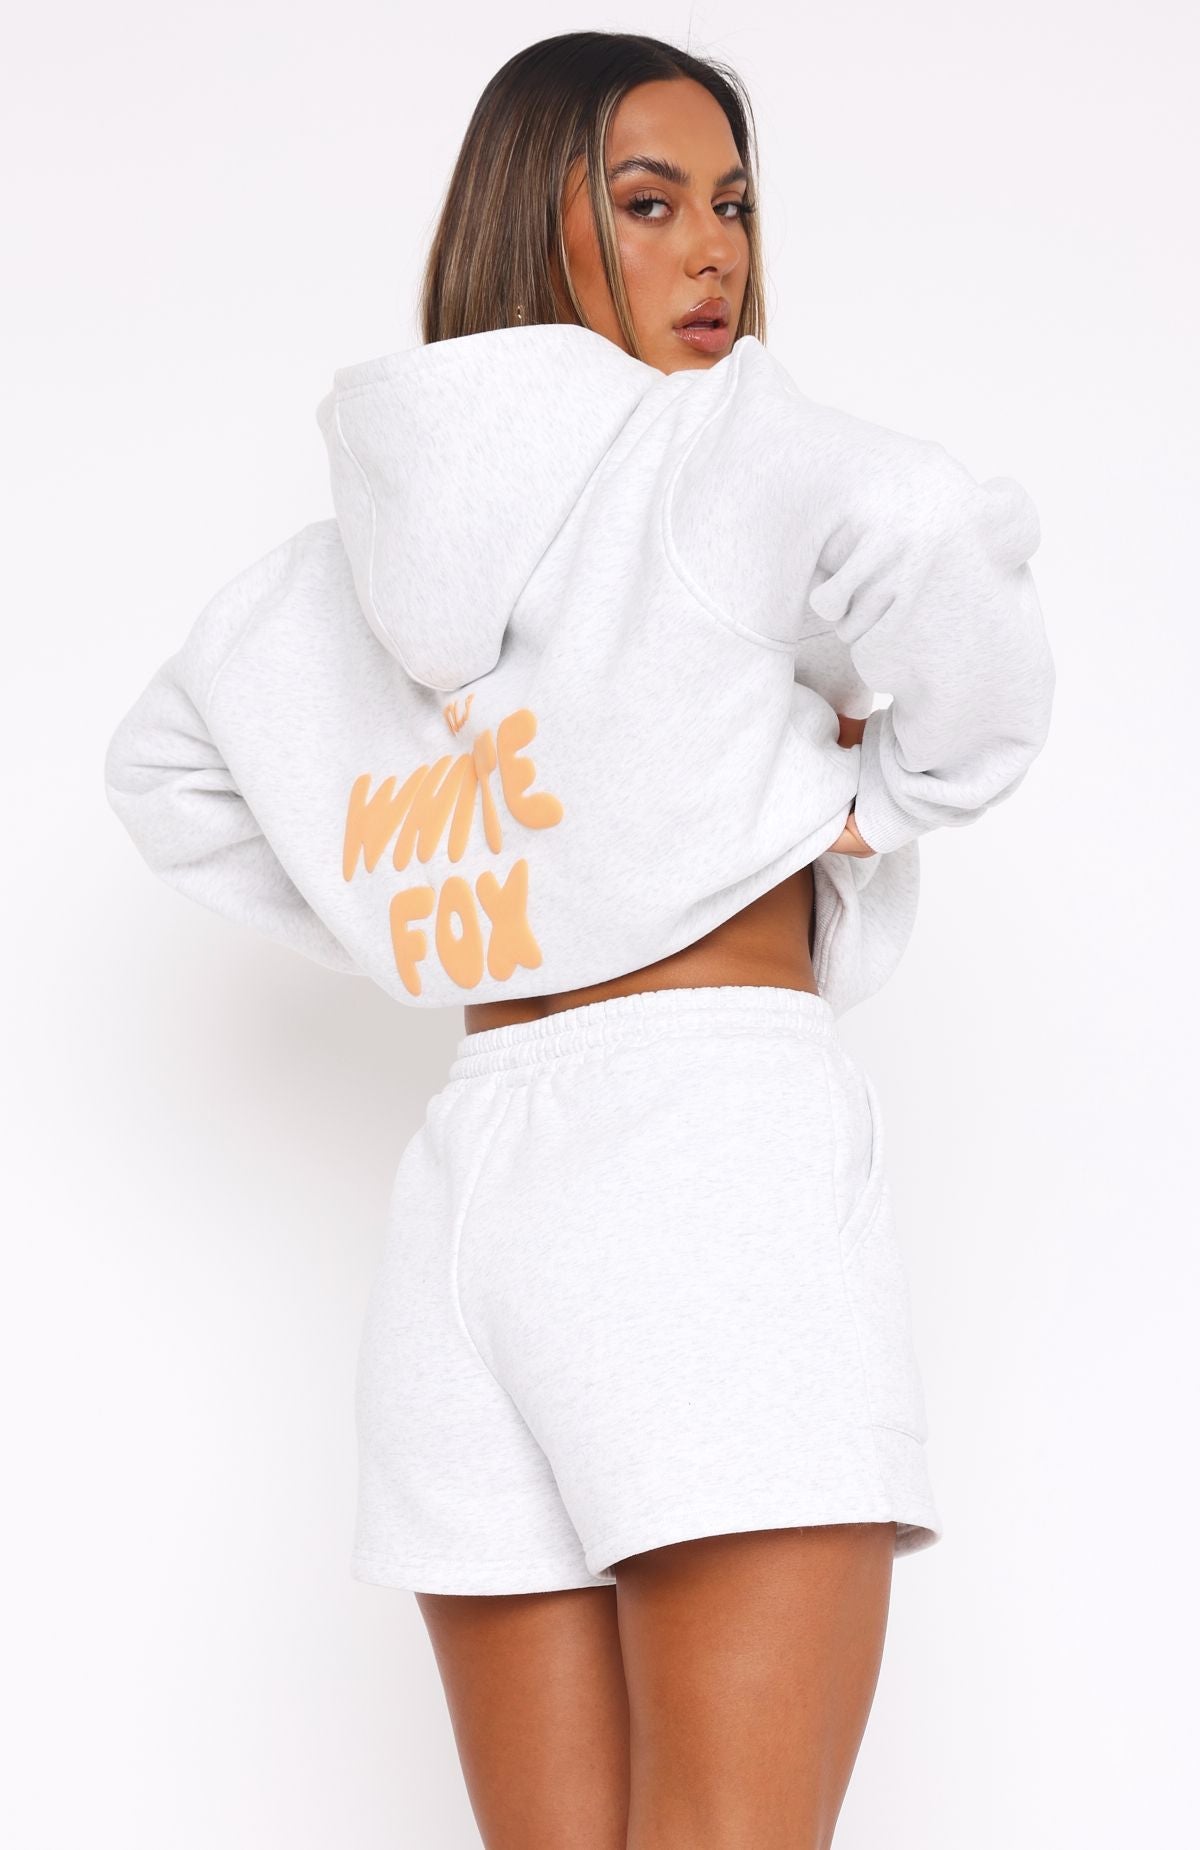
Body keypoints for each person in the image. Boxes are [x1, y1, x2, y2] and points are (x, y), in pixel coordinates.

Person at [103, 29, 1056, 1850]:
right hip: (707, 1163)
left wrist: (466, 903)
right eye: (649, 202)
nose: (716, 255)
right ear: (535, 220)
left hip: (471, 1198)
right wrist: (878, 800)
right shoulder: (710, 450)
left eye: (735, 206)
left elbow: (164, 768)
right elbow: (938, 527)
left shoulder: (350, 558)